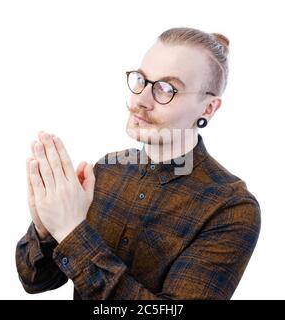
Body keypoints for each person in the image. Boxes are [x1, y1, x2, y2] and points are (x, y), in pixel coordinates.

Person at [15, 27, 261, 299]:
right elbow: (35, 281)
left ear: (208, 108)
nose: (141, 100)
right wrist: (45, 229)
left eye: (167, 88)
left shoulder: (231, 208)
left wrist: (71, 230)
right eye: (142, 80)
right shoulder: (107, 170)